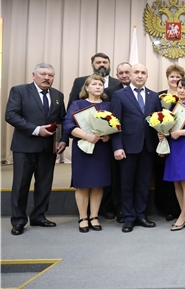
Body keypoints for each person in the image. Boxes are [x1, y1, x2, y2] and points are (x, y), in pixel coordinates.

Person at [5, 63, 68, 235]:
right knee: (20, 185)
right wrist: (36, 130)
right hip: (24, 147)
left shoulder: (58, 95)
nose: (47, 78)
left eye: (51, 75)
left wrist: (62, 140)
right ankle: (18, 221)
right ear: (34, 75)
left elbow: (62, 120)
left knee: (44, 184)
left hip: (48, 149)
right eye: (43, 74)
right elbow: (10, 115)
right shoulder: (19, 91)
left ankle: (39, 216)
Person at [110, 63, 160, 233]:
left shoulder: (154, 96)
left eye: (143, 73)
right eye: (136, 72)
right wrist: (117, 146)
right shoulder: (119, 95)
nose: (140, 75)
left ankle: (141, 214)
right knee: (127, 183)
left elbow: (159, 122)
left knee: (143, 183)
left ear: (147, 76)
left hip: (148, 147)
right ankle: (129, 217)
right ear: (130, 75)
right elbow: (114, 123)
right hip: (127, 147)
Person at [64, 75, 113, 233]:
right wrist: (87, 136)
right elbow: (68, 125)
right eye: (94, 84)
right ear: (86, 87)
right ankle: (83, 217)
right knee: (83, 184)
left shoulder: (108, 105)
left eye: (100, 84)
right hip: (83, 148)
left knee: (98, 183)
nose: (98, 86)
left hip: (101, 148)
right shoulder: (77, 104)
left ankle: (94, 216)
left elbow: (116, 125)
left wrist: (108, 135)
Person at [163, 77, 185, 231]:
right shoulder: (174, 105)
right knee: (176, 181)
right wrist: (163, 132)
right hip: (174, 145)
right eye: (180, 87)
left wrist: (180, 133)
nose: (182, 90)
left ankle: (183, 216)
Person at [155, 64, 185, 222]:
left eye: (178, 77)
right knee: (164, 175)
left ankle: (181, 209)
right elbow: (154, 116)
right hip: (163, 140)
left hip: (182, 141)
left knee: (180, 175)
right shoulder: (159, 96)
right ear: (167, 79)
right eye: (172, 76)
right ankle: (167, 208)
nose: (175, 79)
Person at [102, 62, 132, 222]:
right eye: (121, 73)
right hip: (116, 140)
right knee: (116, 177)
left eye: (127, 72)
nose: (124, 75)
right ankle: (117, 208)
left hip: (135, 141)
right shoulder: (110, 92)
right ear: (117, 75)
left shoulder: (141, 92)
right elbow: (109, 116)